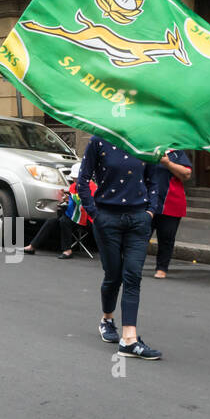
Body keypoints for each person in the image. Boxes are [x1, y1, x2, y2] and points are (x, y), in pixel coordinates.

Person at [76, 136, 161, 360]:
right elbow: (82, 180)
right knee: (113, 275)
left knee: (132, 275)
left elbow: (154, 180)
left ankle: (129, 339)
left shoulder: (146, 141)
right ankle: (107, 319)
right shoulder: (99, 140)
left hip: (138, 220)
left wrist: (150, 211)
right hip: (107, 219)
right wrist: (95, 214)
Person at [24, 165, 95, 258]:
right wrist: (65, 199)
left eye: (76, 178)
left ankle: (67, 250)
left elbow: (89, 204)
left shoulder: (92, 186)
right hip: (74, 215)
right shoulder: (73, 186)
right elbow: (72, 202)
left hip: (87, 218)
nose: (75, 180)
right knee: (52, 220)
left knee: (64, 220)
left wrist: (72, 199)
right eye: (74, 178)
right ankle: (33, 246)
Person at [150, 150, 193, 278]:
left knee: (166, 238)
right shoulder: (148, 149)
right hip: (147, 203)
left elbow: (186, 174)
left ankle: (162, 268)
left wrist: (168, 163)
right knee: (139, 236)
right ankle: (134, 266)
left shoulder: (177, 153)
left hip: (171, 203)